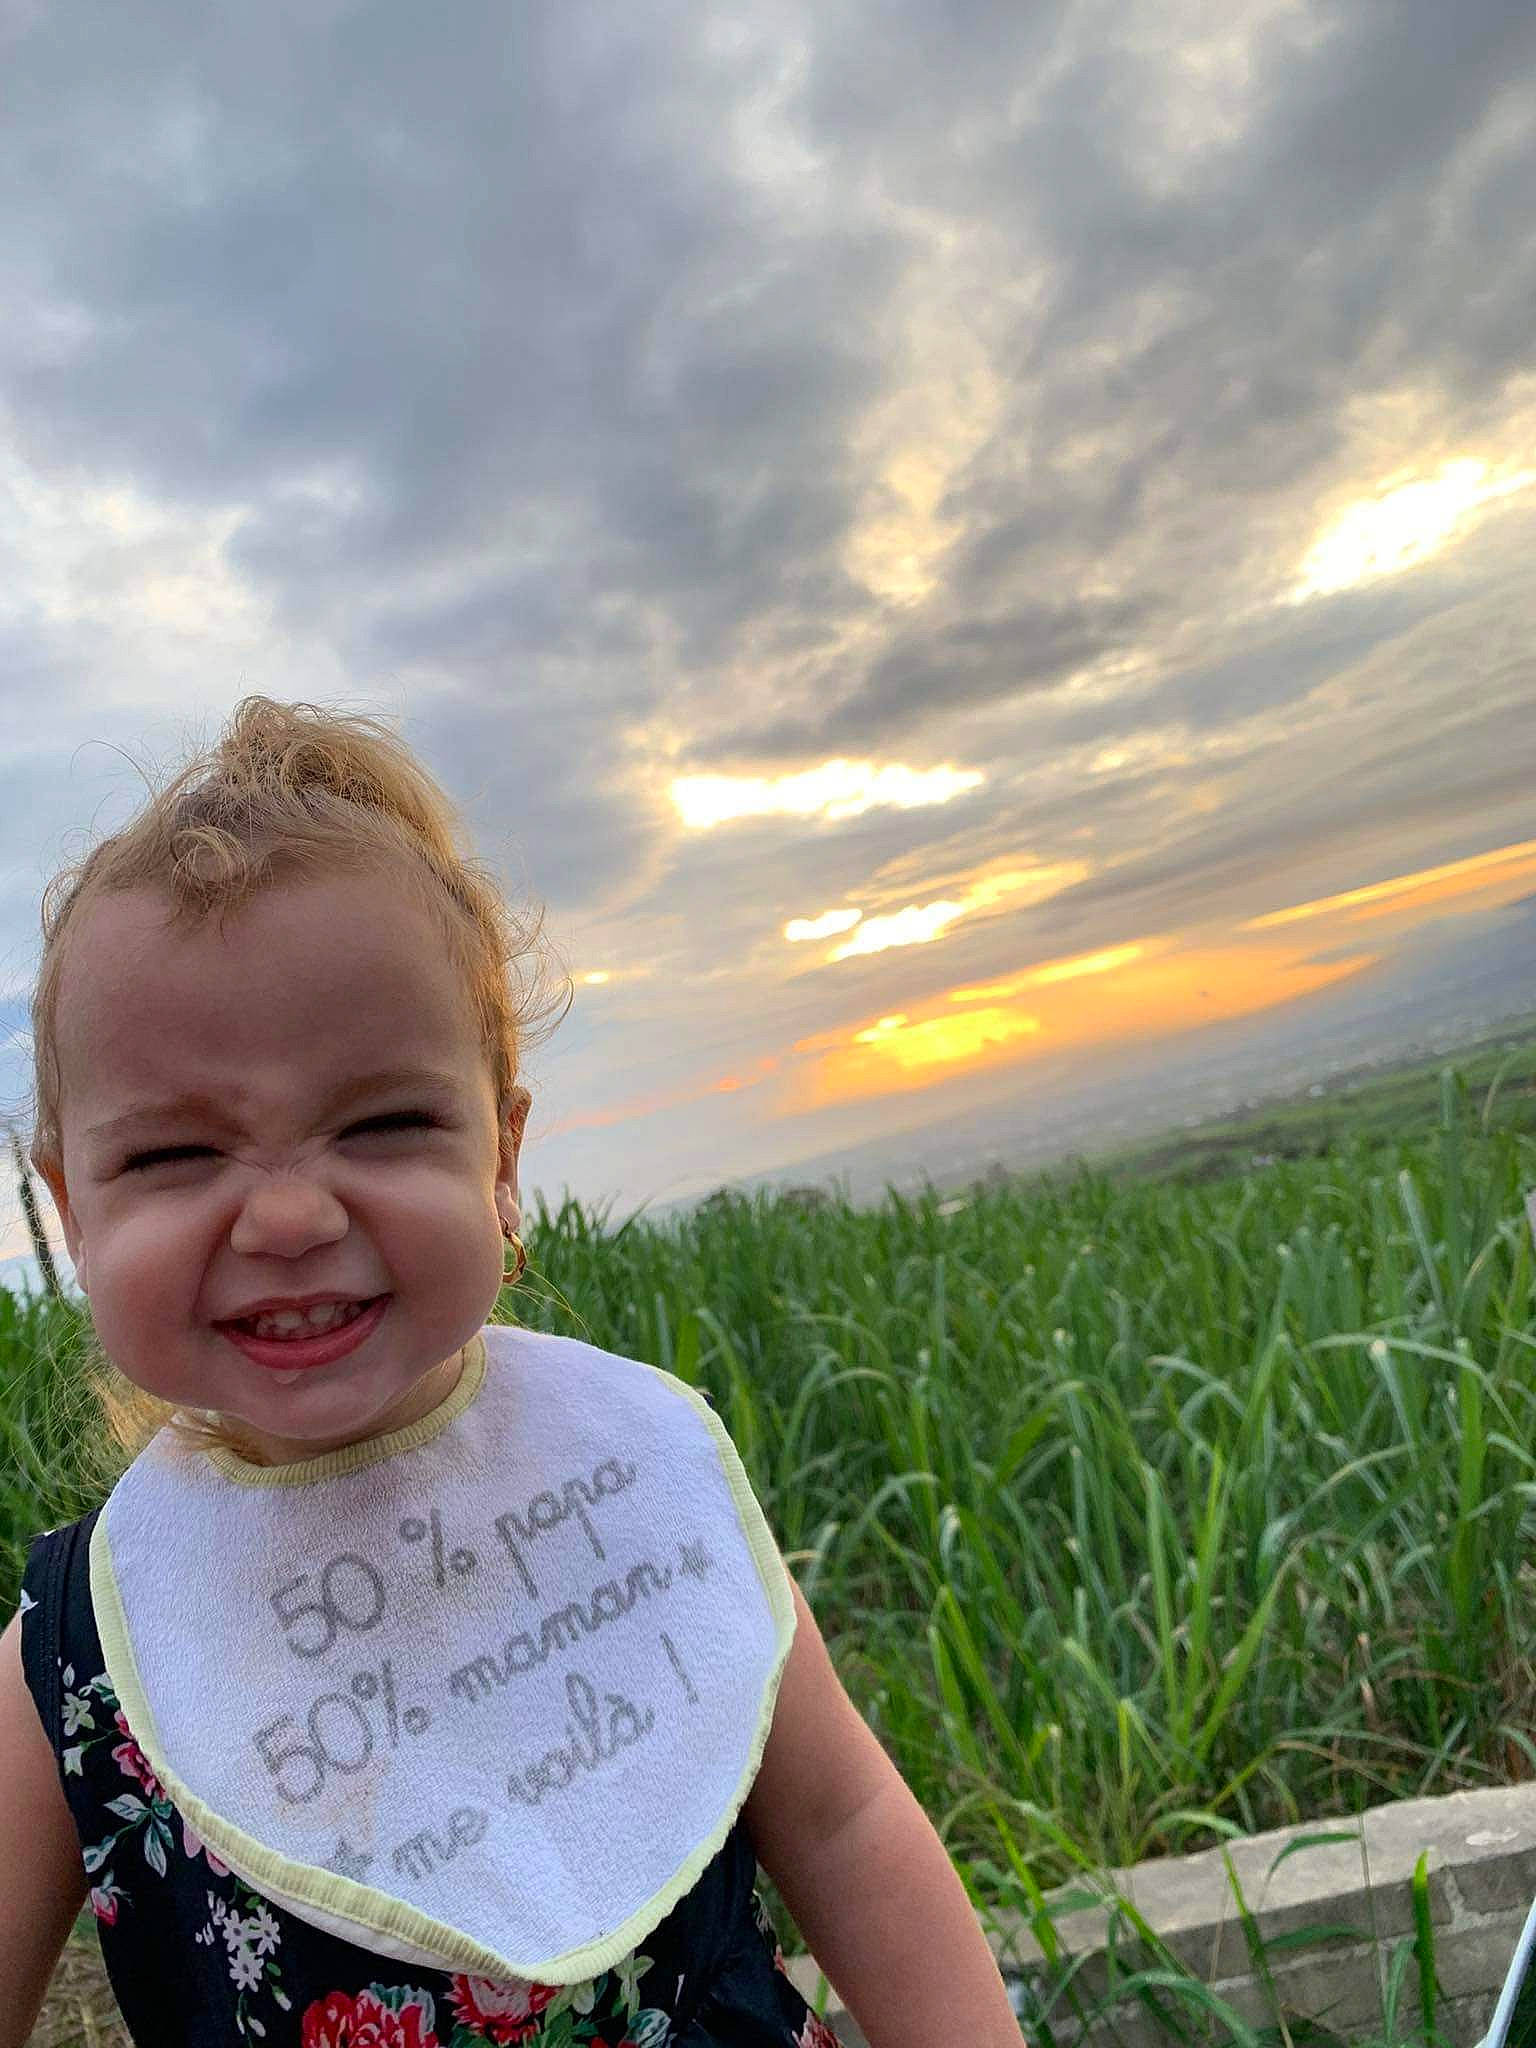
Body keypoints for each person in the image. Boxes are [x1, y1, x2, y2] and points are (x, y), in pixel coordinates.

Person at [0, 699, 1021, 2048]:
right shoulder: (81, 1657)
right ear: (74, 1213)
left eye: (383, 1121)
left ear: (500, 1157)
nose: (291, 1217)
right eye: (175, 1156)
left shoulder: (627, 1480)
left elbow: (844, 1824)